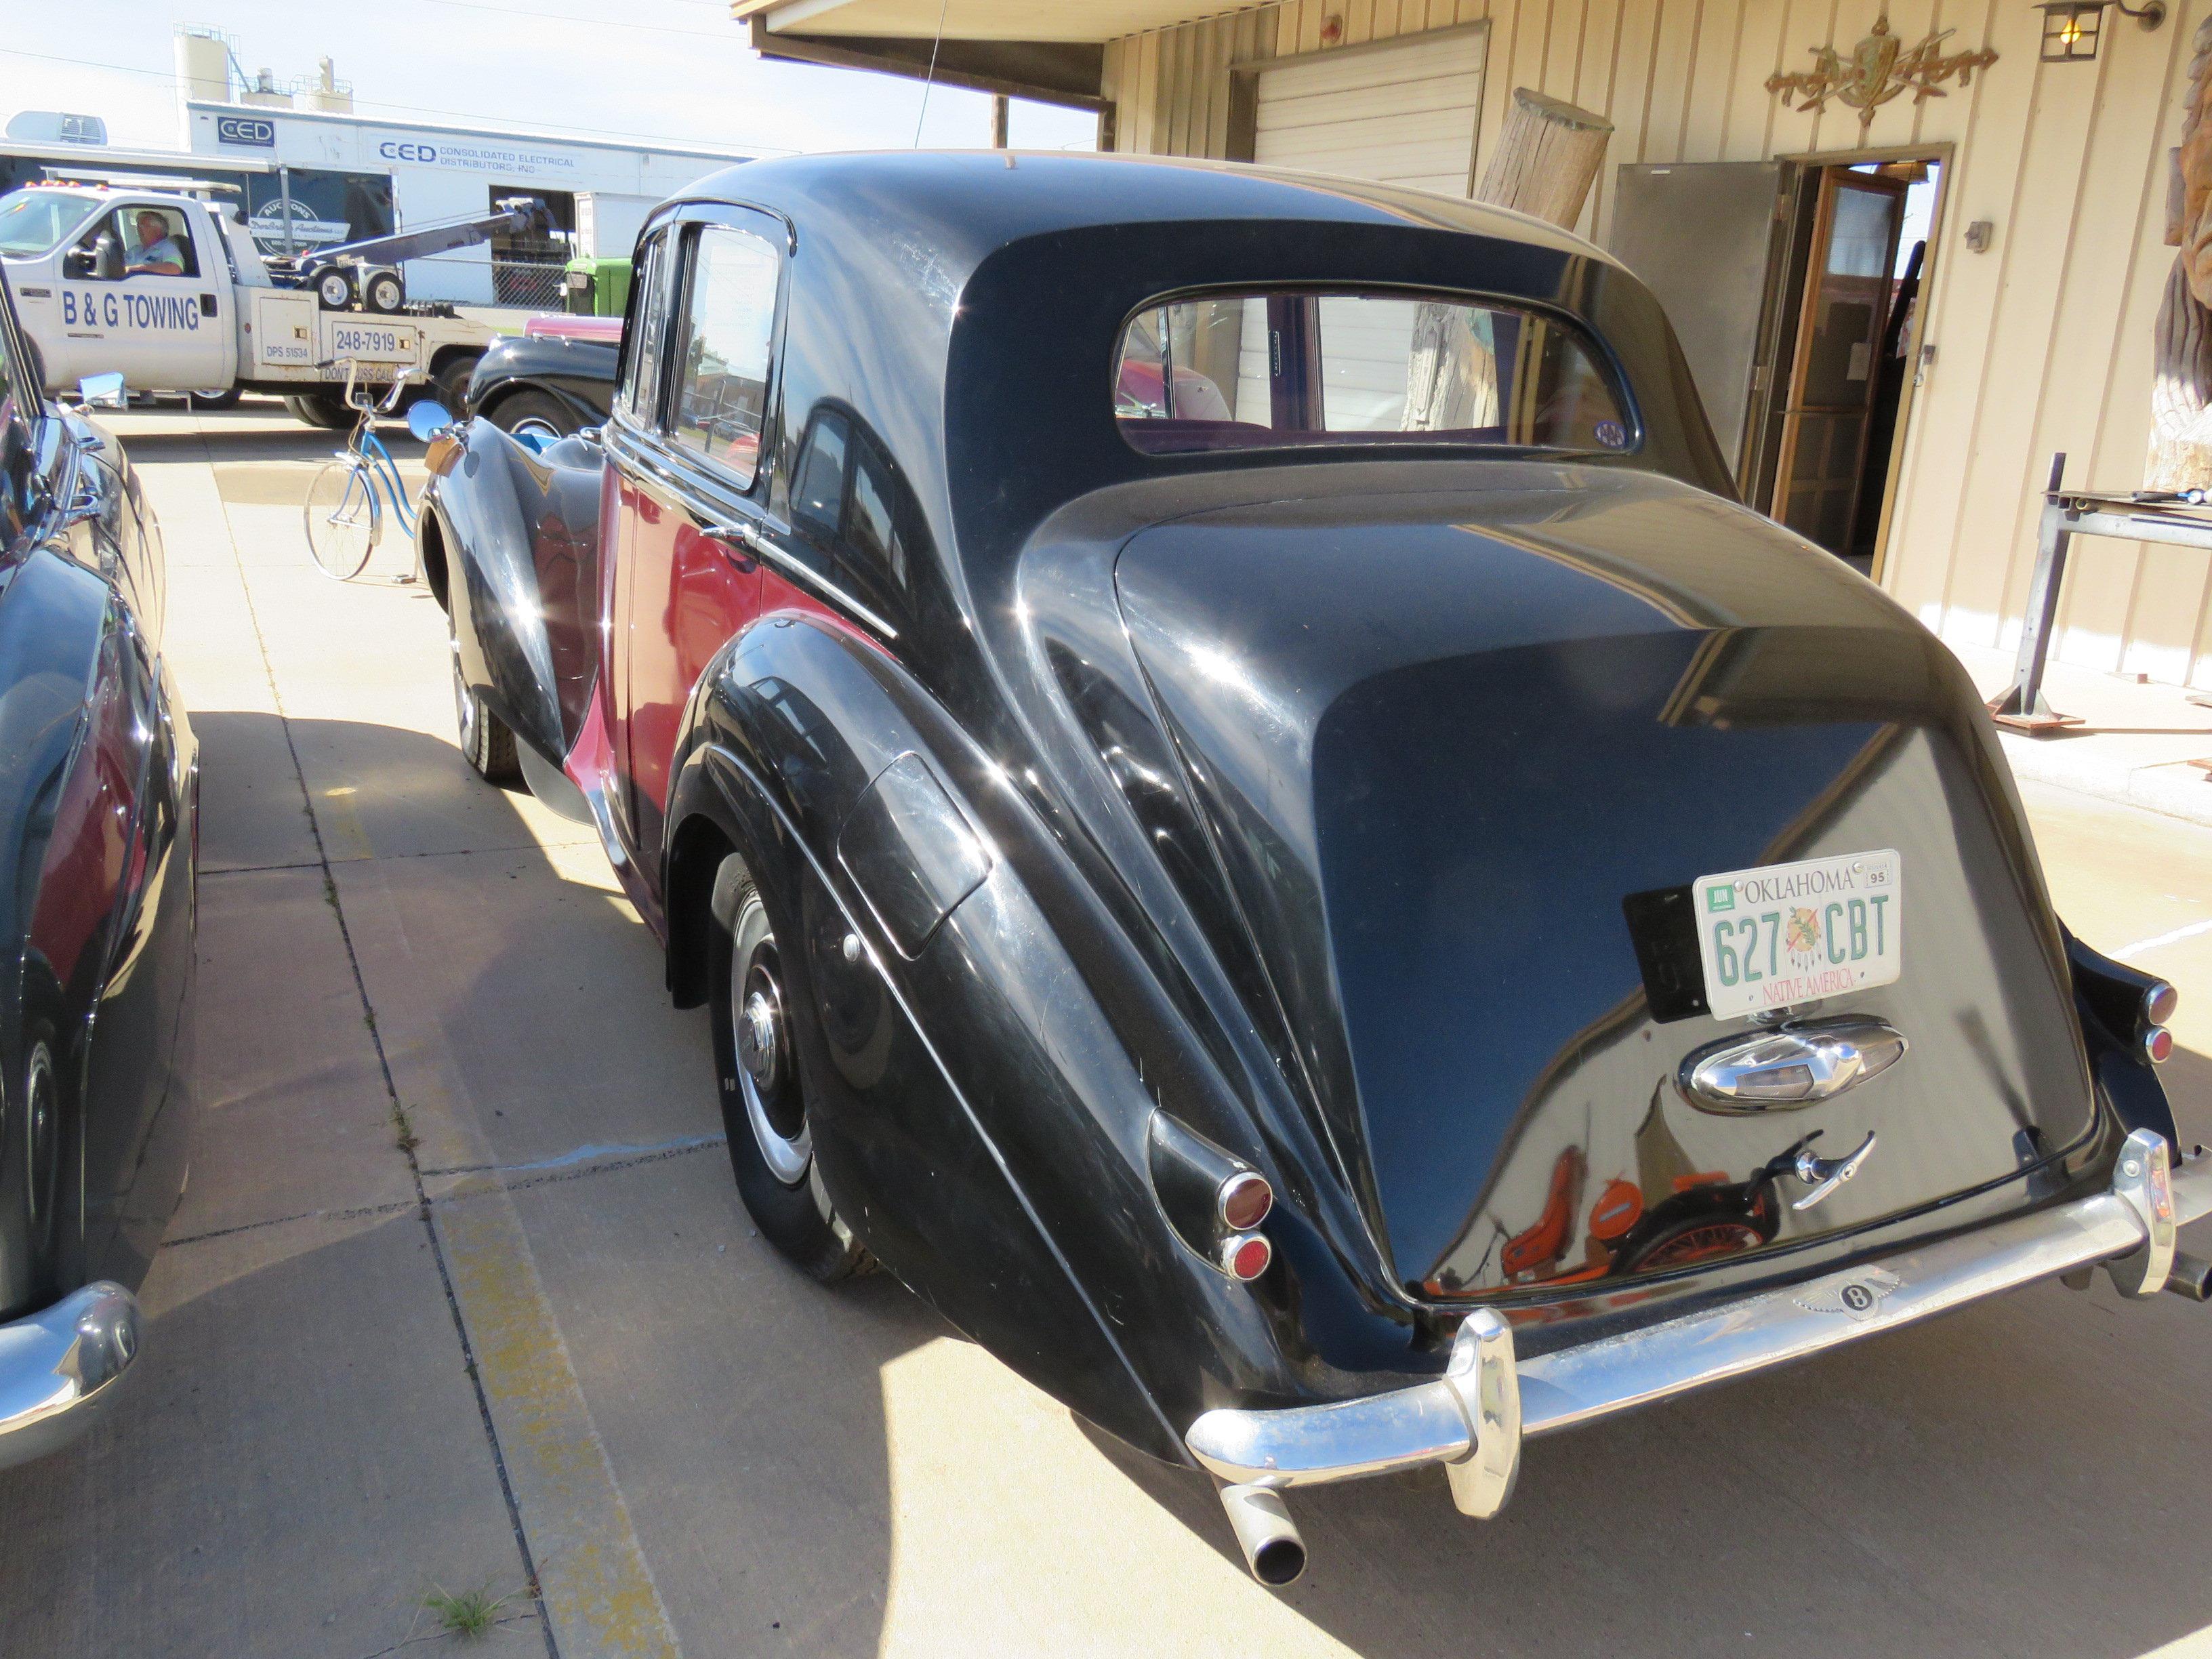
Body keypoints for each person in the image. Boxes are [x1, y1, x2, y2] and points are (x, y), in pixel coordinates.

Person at [125, 210, 184, 276]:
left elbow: (174, 268)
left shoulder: (168, 248)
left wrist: (138, 269)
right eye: (138, 225)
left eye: (143, 225)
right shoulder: (135, 249)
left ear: (158, 230)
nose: (138, 229)